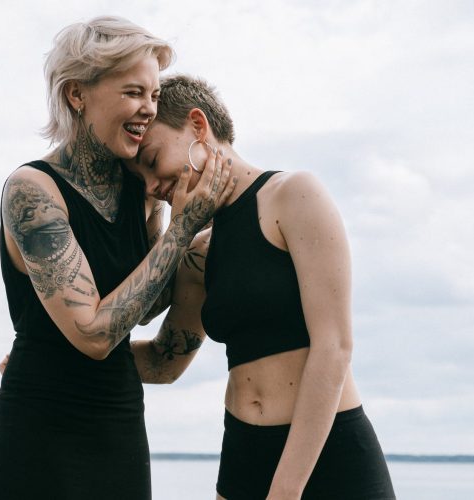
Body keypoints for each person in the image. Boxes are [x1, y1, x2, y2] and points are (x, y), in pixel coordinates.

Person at [0, 18, 235, 500]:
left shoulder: (139, 191)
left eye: (155, 96)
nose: (148, 110)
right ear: (78, 94)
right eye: (134, 92)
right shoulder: (32, 192)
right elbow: (95, 335)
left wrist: (195, 247)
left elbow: (145, 298)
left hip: (119, 424)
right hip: (37, 431)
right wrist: (181, 230)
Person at [126, 75, 396, 499]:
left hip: (328, 458)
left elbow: (334, 347)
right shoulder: (198, 251)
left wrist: (285, 491)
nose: (151, 187)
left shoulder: (294, 195)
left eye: (153, 159)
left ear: (198, 126)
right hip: (243, 456)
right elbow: (164, 362)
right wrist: (57, 360)